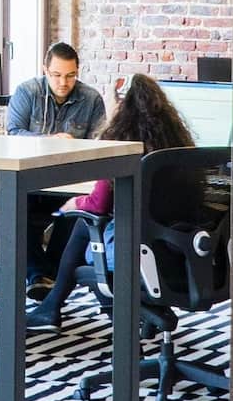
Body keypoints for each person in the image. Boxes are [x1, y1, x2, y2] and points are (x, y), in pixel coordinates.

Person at [26, 74, 200, 326]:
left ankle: (52, 306)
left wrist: (75, 203)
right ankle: (57, 306)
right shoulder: (177, 144)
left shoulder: (120, 145)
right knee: (95, 223)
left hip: (134, 253)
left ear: (121, 106)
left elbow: (98, 204)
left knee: (86, 222)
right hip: (178, 252)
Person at [4, 42, 110, 287]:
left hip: (70, 181)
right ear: (45, 70)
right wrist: (49, 141)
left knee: (76, 207)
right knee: (14, 203)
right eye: (57, 75)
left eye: (70, 75)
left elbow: (99, 143)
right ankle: (37, 275)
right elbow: (13, 133)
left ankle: (49, 273)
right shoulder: (27, 92)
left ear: (78, 72)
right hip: (29, 179)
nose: (64, 82)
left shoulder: (91, 99)